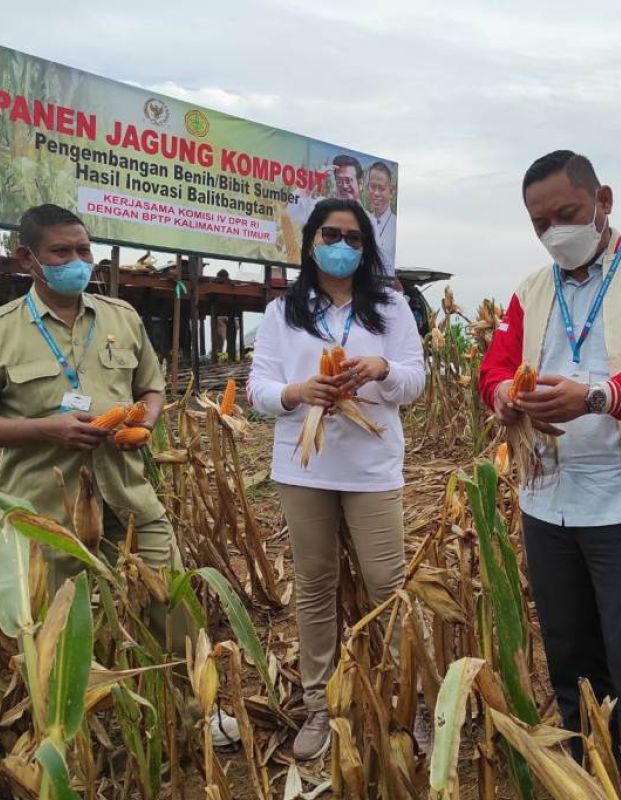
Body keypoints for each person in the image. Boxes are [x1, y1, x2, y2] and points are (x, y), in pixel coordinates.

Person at [0, 203, 240, 748]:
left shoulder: (120, 318)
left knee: (171, 600)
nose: (78, 261)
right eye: (62, 252)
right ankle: (64, 732)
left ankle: (192, 708)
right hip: (41, 509)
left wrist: (144, 420)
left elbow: (151, 387)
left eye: (84, 250)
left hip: (127, 493)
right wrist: (48, 430)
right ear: (27, 259)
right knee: (51, 623)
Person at [478, 150, 621, 799]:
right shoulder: (530, 291)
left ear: (603, 200)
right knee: (574, 679)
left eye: (567, 214)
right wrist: (504, 397)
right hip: (549, 510)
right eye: (540, 221)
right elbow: (493, 369)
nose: (555, 230)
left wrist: (597, 396)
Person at [246, 198, 425, 761]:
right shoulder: (284, 311)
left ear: (366, 246)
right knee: (316, 583)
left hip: (371, 466)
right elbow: (258, 391)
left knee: (386, 582)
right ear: (311, 242)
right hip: (304, 466)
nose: (342, 245)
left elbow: (415, 382)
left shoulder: (391, 308)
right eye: (331, 234)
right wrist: (299, 393)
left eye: (353, 237)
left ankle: (411, 700)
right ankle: (320, 704)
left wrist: (381, 369)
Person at [366, 161, 398, 276]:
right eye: (373, 187)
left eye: (381, 188)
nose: (376, 193)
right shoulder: (362, 222)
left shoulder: (395, 224)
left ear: (391, 192)